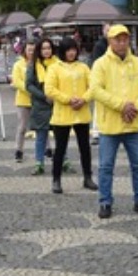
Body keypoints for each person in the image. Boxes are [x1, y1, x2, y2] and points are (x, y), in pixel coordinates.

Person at [91, 25, 138, 219]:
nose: (121, 43)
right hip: (110, 125)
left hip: (133, 123)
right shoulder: (100, 64)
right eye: (117, 39)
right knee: (105, 166)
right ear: (110, 41)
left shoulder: (137, 63)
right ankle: (105, 202)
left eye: (124, 39)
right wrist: (121, 106)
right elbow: (96, 89)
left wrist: (136, 106)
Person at [45, 37, 95, 194]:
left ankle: (88, 177)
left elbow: (93, 86)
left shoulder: (83, 67)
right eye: (68, 50)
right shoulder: (54, 68)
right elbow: (50, 89)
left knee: (85, 147)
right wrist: (67, 99)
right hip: (62, 114)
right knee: (60, 148)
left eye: (74, 49)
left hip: (81, 112)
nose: (71, 53)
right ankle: (56, 179)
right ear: (62, 51)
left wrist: (84, 99)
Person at [26, 38, 57, 176]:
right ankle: (39, 163)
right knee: (41, 136)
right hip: (40, 105)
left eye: (49, 48)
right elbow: (29, 85)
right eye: (44, 48)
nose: (46, 51)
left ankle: (63, 161)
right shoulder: (33, 65)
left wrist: (56, 96)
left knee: (60, 135)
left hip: (56, 103)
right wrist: (44, 96)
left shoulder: (58, 63)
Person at [11, 40, 35, 163]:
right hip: (23, 100)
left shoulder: (39, 63)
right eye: (29, 49)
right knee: (22, 127)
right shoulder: (18, 64)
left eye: (34, 50)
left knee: (42, 126)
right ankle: (18, 150)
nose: (31, 52)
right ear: (24, 50)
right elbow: (17, 81)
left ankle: (47, 149)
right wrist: (30, 90)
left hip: (38, 100)